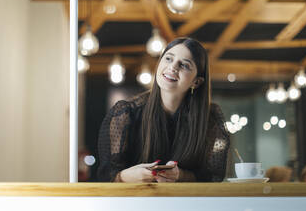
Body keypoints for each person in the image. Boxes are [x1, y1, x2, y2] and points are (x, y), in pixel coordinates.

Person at [97, 37, 230, 182]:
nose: (173, 67)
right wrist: (125, 177)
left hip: (187, 203)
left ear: (196, 82)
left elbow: (212, 176)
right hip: (135, 202)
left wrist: (180, 175)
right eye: (168, 59)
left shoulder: (210, 118)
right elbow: (105, 177)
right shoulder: (125, 113)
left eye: (184, 65)